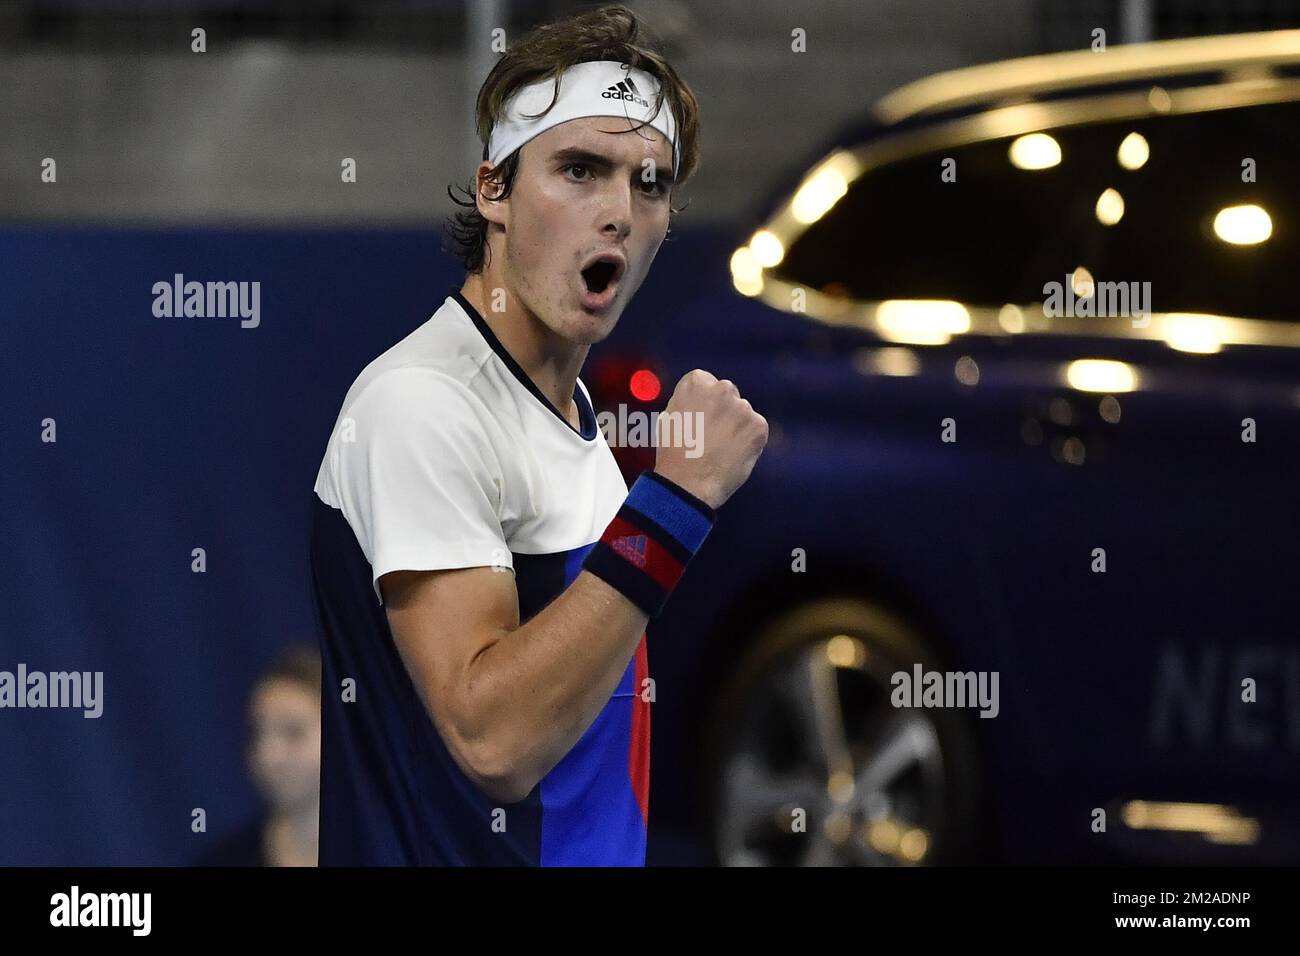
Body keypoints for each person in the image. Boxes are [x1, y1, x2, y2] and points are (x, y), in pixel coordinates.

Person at [309, 4, 767, 866]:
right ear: (494, 191)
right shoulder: (421, 403)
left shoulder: (570, 415)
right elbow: (495, 742)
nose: (620, 212)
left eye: (650, 182)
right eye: (581, 169)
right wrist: (674, 505)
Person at [198, 644, 321, 867]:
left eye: (293, 732)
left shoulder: (391, 846)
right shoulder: (226, 859)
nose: (269, 755)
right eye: (257, 733)